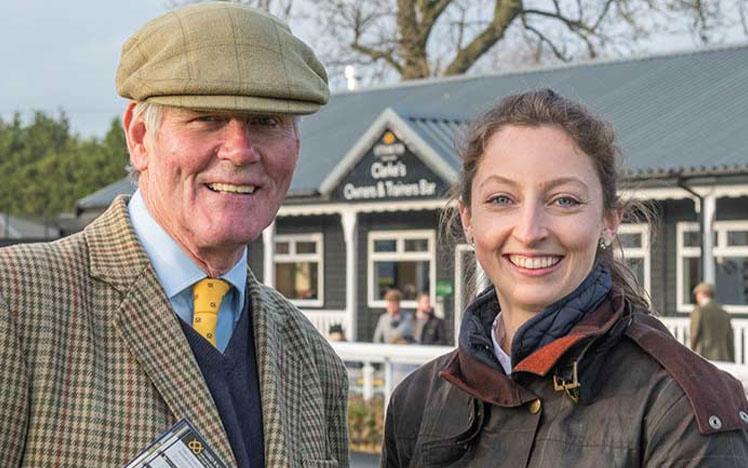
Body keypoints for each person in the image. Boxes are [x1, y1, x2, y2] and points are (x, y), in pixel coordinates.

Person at [0, 4, 348, 467]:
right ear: (141, 137)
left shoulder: (314, 361)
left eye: (267, 122)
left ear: (296, 147)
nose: (240, 150)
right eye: (206, 118)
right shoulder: (19, 305)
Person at [382, 90, 748, 466]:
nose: (529, 231)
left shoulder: (679, 407)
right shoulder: (419, 401)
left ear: (609, 220)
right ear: (468, 220)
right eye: (501, 199)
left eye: (564, 200)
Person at [690, 282, 735, 362]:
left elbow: (694, 335)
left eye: (697, 294)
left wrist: (690, 353)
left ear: (702, 294)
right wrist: (732, 359)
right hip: (723, 357)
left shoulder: (699, 311)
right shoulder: (724, 313)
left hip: (703, 356)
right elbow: (729, 339)